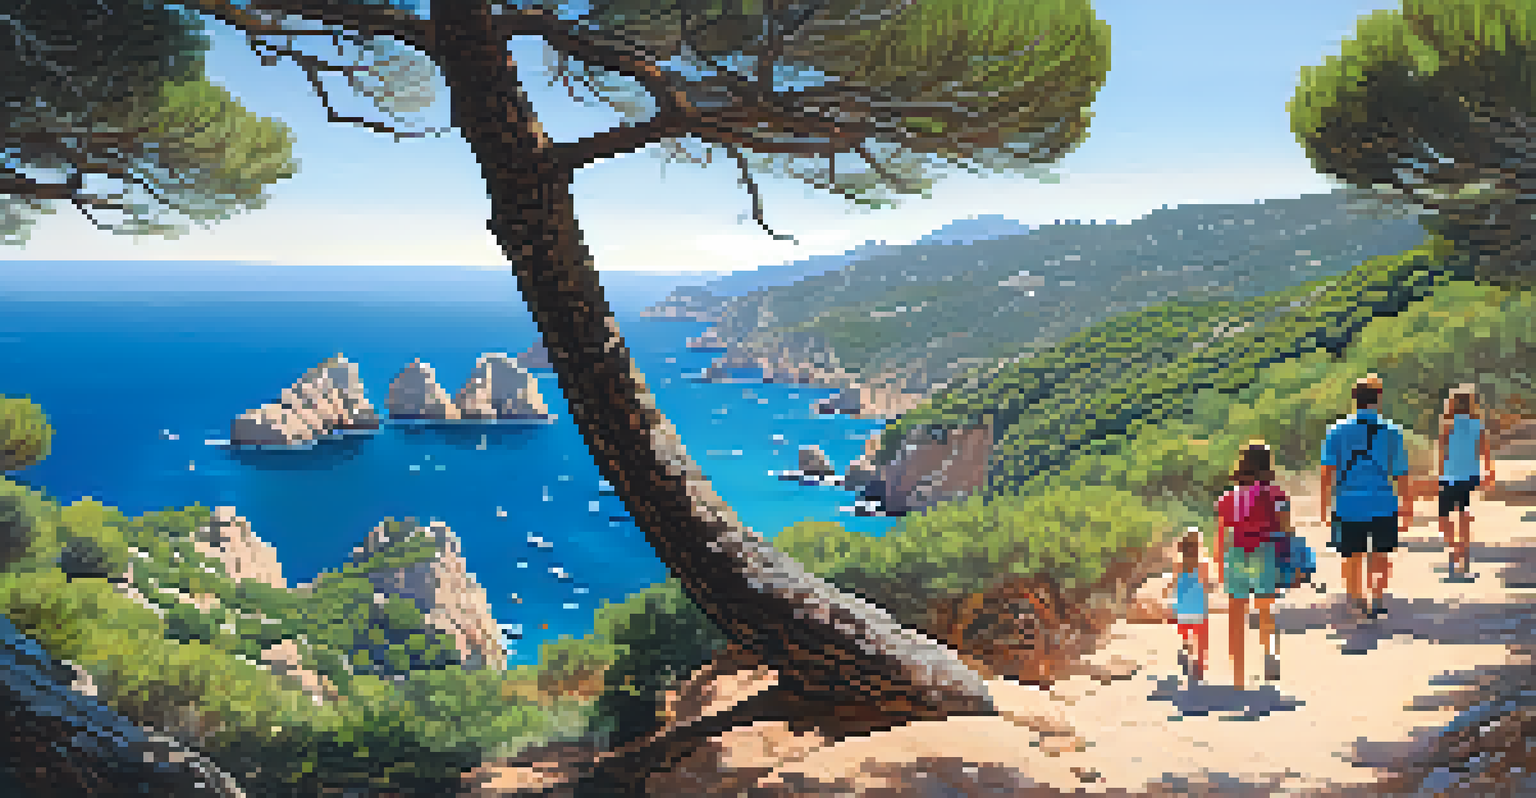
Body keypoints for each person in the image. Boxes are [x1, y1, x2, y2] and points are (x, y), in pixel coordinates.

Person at [1320, 374, 1411, 621]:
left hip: (1348, 503)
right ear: (1378, 400)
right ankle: (1378, 598)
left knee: (1351, 555)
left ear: (1354, 400)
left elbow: (1327, 471)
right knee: (1381, 553)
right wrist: (1407, 505)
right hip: (1383, 503)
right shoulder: (1393, 432)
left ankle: (1356, 598)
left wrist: (1324, 506)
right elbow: (1401, 473)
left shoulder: (1336, 431)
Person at [1215, 440, 1291, 688]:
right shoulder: (1277, 495)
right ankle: (1270, 653)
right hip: (1265, 554)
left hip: (1236, 555)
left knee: (1236, 617)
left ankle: (1238, 677)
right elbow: (1285, 529)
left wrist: (1219, 568)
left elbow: (1221, 537)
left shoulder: (1228, 498)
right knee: (1265, 611)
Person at [1438, 384, 1495, 580]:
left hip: (1449, 475)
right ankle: (1465, 554)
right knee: (1463, 512)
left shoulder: (1446, 424)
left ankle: (1454, 552)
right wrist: (1488, 471)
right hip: (1470, 474)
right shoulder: (1476, 424)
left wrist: (1438, 473)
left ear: (1452, 404)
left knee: (1444, 517)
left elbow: (1441, 451)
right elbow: (1485, 450)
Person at [1169, 526, 1213, 687]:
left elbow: (1174, 583)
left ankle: (1186, 650)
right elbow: (1207, 584)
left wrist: (1172, 601)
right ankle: (1199, 667)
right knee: (1201, 638)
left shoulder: (1178, 564)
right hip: (1199, 607)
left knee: (1186, 632)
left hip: (1183, 605)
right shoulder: (1203, 564)